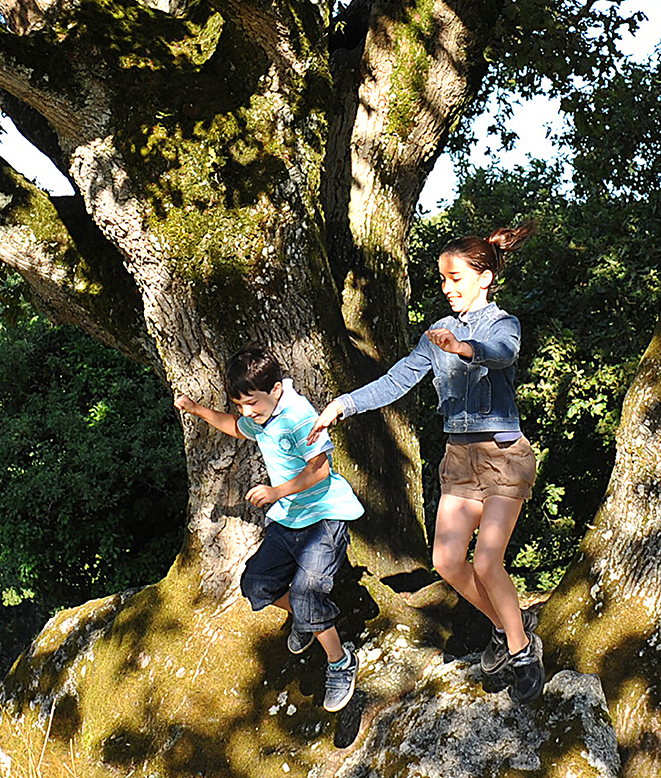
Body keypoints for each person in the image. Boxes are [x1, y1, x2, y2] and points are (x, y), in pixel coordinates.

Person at [307, 223, 545, 699]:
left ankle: (522, 650)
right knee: (446, 560)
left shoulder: (503, 325)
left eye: (455, 278)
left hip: (502, 456)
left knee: (486, 562)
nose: (447, 288)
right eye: (442, 279)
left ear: (484, 278)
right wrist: (343, 405)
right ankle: (506, 623)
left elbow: (502, 354)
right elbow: (395, 382)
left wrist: (466, 349)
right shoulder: (436, 335)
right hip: (460, 460)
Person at [174, 346, 366, 712]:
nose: (247, 412)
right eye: (241, 404)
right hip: (288, 520)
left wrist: (276, 491)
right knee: (256, 584)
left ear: (275, 390)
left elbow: (320, 469)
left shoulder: (297, 416)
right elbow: (235, 427)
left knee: (309, 591)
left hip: (324, 516)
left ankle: (341, 662)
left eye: (252, 404)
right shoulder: (258, 417)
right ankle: (307, 618)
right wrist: (196, 409)